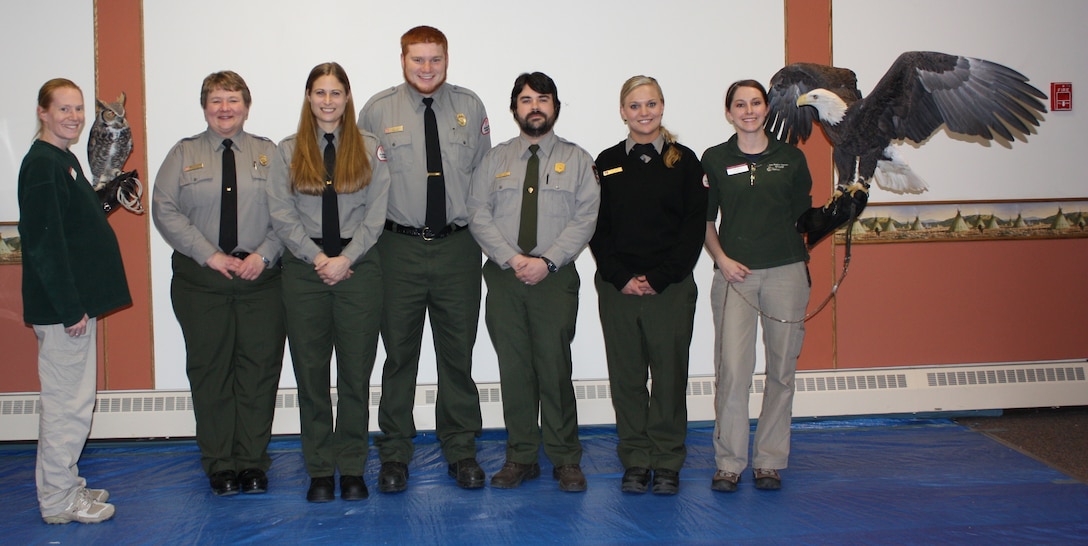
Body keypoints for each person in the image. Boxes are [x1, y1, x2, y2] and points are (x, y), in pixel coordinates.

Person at [358, 25, 490, 493]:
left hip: (457, 247)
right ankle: (394, 452)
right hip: (398, 249)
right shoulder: (377, 110)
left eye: (435, 59)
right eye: (418, 60)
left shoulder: (470, 107)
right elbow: (363, 184)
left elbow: (482, 182)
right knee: (399, 355)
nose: (427, 68)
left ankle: (461, 449)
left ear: (447, 59)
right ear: (403, 60)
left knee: (457, 353)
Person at [152, 71, 286, 497]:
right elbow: (164, 208)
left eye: (232, 100)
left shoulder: (270, 154)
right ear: (204, 107)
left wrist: (264, 254)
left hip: (260, 282)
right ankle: (219, 464)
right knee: (210, 372)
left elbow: (291, 211)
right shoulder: (183, 153)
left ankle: (252, 462)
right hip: (202, 282)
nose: (224, 108)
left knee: (259, 372)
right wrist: (208, 253)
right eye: (216, 101)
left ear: (246, 106)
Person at [468, 71, 600, 492]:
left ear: (555, 107)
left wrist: (547, 261)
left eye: (543, 99)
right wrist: (512, 258)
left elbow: (586, 219)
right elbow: (478, 214)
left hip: (554, 279)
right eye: (526, 100)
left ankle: (565, 458)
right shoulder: (495, 160)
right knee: (515, 369)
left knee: (554, 367)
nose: (535, 107)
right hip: (505, 280)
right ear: (515, 109)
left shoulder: (578, 160)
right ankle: (521, 456)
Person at [267, 62, 390, 502]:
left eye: (335, 92)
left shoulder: (370, 147)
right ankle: (320, 470)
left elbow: (377, 215)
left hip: (358, 270)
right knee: (312, 374)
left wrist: (345, 259)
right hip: (305, 270)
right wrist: (319, 257)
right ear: (308, 97)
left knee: (356, 374)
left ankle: (353, 467)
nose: (327, 101)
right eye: (319, 92)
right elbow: (281, 214)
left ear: (347, 97)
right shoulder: (287, 151)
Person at [18, 78, 131, 524]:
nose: (74, 117)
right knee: (67, 407)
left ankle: (65, 483)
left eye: (79, 109)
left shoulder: (62, 160)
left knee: (72, 402)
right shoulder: (44, 165)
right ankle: (59, 501)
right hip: (65, 312)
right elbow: (44, 244)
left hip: (75, 307)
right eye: (63, 109)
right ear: (43, 113)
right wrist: (70, 308)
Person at [589, 75, 706, 495]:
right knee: (627, 378)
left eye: (651, 104)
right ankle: (636, 459)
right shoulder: (605, 162)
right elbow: (596, 226)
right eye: (635, 106)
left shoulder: (685, 161)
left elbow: (693, 228)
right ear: (623, 111)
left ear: (662, 107)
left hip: (669, 288)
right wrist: (621, 277)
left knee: (670, 378)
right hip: (618, 289)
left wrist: (659, 277)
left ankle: (668, 459)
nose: (644, 112)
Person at [702, 80, 813, 492]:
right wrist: (722, 260)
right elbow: (705, 221)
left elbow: (806, 219)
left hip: (786, 273)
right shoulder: (714, 159)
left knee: (782, 370)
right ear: (729, 112)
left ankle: (769, 461)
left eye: (755, 103)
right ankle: (729, 462)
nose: (748, 110)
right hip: (736, 276)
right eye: (739, 104)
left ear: (766, 109)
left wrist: (838, 212)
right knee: (733, 371)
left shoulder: (792, 158)